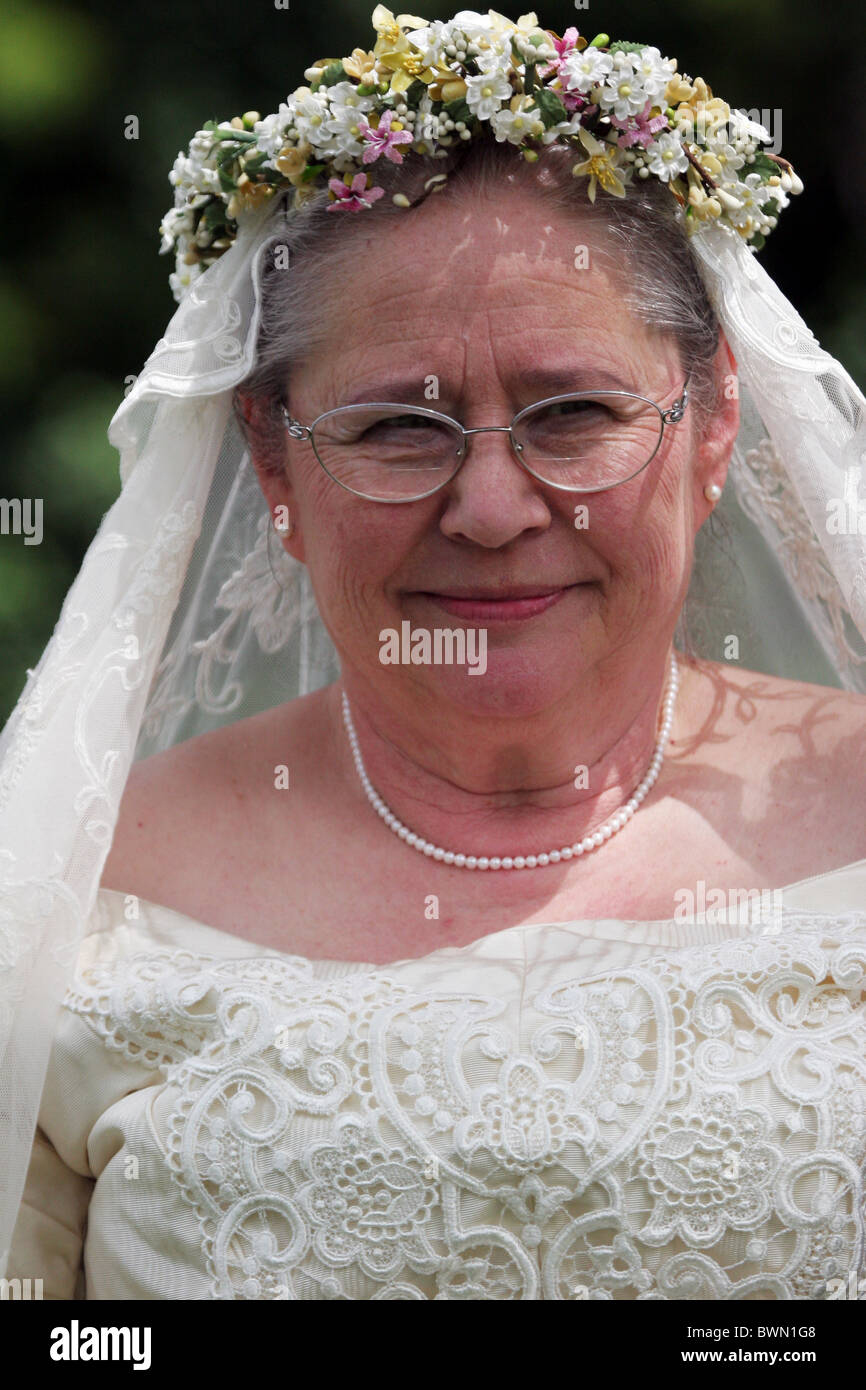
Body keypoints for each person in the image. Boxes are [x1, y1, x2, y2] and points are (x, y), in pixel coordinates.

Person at [3, 7, 866, 1301]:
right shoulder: (62, 898)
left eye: (571, 412)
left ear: (710, 425)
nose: (491, 507)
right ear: (270, 459)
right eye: (394, 427)